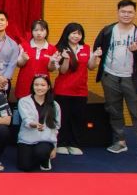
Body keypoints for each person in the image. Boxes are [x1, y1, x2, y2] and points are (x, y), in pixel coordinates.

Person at [93, 0, 137, 162]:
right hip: (110, 77)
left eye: (130, 12)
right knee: (114, 111)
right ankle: (120, 141)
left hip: (133, 79)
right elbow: (97, 48)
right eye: (123, 11)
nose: (126, 15)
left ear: (135, 14)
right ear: (118, 12)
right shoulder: (108, 31)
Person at [55, 23, 95, 156]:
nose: (76, 36)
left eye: (79, 33)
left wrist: (95, 56)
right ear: (67, 34)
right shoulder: (60, 49)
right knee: (63, 118)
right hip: (63, 90)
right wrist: (66, 59)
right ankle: (61, 143)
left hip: (81, 90)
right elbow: (62, 70)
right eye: (73, 33)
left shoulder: (86, 48)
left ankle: (75, 144)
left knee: (78, 118)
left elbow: (91, 67)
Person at [17, 75, 61, 171]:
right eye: (36, 85)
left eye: (43, 85)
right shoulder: (24, 101)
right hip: (27, 139)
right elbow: (26, 119)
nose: (39, 88)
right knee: (25, 167)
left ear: (48, 87)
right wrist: (34, 124)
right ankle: (36, 156)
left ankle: (45, 159)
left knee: (41, 152)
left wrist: (54, 147)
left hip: (45, 140)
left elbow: (56, 127)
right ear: (32, 86)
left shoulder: (54, 105)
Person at [15, 20, 58, 100]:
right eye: (36, 30)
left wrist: (52, 62)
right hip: (24, 85)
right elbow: (18, 64)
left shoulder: (52, 49)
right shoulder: (23, 46)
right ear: (32, 32)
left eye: (42, 30)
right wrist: (24, 59)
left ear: (46, 32)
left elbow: (51, 69)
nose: (39, 33)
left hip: (42, 86)